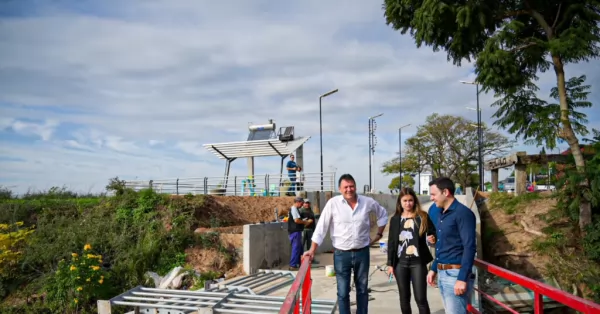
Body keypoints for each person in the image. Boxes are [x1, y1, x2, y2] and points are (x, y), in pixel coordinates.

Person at [303, 174, 388, 314]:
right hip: (342, 255)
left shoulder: (367, 202)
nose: (349, 189)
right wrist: (312, 249)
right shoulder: (333, 203)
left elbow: (383, 214)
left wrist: (378, 234)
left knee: (362, 290)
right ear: (340, 189)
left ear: (355, 187)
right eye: (346, 187)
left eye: (351, 186)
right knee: (342, 292)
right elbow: (321, 227)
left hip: (362, 253)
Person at [427, 177, 476, 314]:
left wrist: (461, 279)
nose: (431, 198)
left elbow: (469, 247)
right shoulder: (440, 214)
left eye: (434, 194)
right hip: (443, 274)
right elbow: (443, 246)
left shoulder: (463, 214)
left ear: (446, 192)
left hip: (455, 275)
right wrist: (434, 268)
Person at [386, 187, 436, 314]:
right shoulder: (395, 219)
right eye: (405, 201)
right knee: (404, 299)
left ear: (414, 201)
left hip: (418, 263)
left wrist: (432, 238)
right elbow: (392, 243)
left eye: (410, 200)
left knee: (421, 299)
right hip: (400, 263)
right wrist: (390, 264)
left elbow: (433, 233)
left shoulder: (422, 217)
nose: (408, 203)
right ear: (400, 202)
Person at [288, 197, 312, 271]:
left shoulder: (296, 209)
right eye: (302, 203)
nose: (302, 204)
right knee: (296, 249)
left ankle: (299, 263)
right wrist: (306, 222)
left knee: (299, 249)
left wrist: (303, 221)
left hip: (296, 231)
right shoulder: (294, 209)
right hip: (295, 232)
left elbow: (298, 219)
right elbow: (296, 220)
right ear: (298, 202)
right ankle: (293, 265)